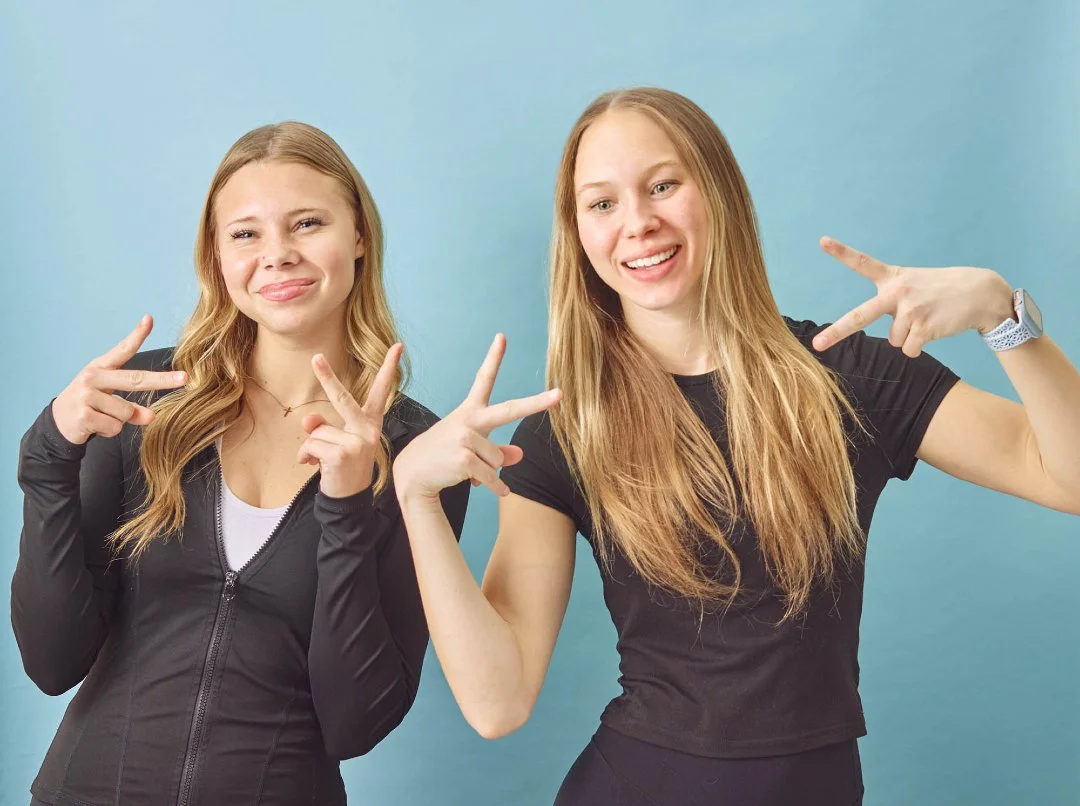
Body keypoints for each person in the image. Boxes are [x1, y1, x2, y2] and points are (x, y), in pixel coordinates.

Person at [391, 87, 1080, 806]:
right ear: (578, 233)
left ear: (716, 190)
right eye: (602, 204)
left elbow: (1067, 477)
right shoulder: (566, 433)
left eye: (663, 185)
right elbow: (498, 705)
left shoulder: (846, 377)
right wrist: (416, 498)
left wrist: (1006, 319)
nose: (638, 222)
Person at [12, 121, 469, 806]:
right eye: (246, 233)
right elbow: (52, 663)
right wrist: (49, 455)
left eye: (307, 223)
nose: (277, 255)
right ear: (218, 258)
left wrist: (345, 509)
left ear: (359, 237)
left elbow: (356, 723)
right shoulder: (143, 406)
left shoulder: (413, 452)